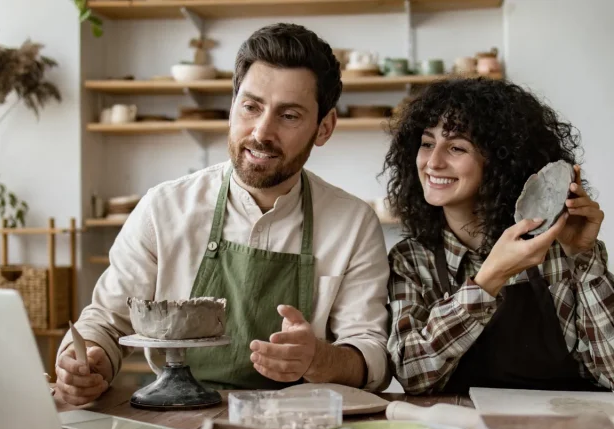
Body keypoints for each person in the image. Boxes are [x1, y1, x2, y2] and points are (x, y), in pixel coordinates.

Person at [52, 23, 392, 406]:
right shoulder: (164, 208)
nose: (261, 132)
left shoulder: (353, 223)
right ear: (233, 106)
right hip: (176, 417)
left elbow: (371, 354)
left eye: (289, 115)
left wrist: (320, 358)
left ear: (324, 127)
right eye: (251, 106)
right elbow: (106, 320)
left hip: (302, 423)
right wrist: (84, 363)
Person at [382, 77, 614, 395]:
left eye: (456, 147)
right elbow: (413, 376)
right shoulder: (411, 259)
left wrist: (584, 257)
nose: (433, 162)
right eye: (427, 143)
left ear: (501, 160)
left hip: (567, 428)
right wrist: (489, 279)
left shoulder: (554, 250)